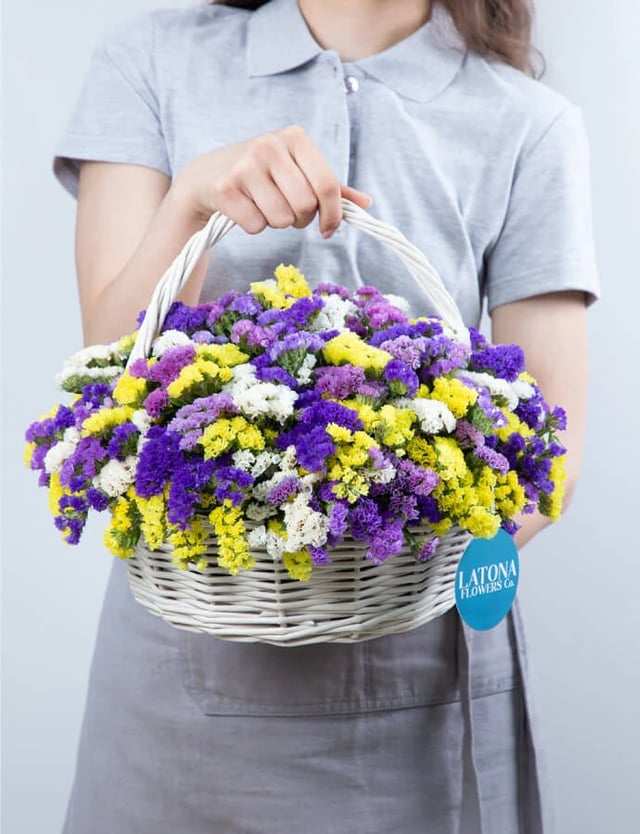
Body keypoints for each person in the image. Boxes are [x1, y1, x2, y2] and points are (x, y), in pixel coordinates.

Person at [53, 0, 599, 831]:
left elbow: (549, 452)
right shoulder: (152, 62)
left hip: (420, 684)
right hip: (182, 687)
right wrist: (190, 203)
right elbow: (109, 380)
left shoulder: (529, 122)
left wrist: (377, 522)